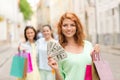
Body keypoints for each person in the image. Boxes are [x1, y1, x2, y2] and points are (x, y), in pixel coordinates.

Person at [48, 12, 100, 80]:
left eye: (72, 25)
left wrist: (96, 57)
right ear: (61, 28)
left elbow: (96, 70)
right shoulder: (58, 50)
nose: (69, 28)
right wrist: (56, 69)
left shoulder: (88, 45)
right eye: (65, 25)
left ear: (77, 27)